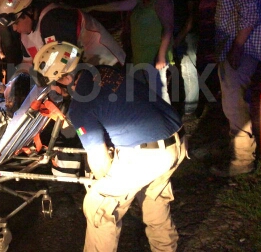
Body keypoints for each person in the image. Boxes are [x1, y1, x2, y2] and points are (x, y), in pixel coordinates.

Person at [33, 41, 186, 252]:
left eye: (54, 84)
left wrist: (104, 183)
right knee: (153, 199)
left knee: (98, 205)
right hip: (177, 139)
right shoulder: (105, 72)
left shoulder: (80, 106)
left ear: (65, 78)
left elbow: (100, 163)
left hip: (149, 155)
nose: (54, 90)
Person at [203, 0, 261, 177]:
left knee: (234, 105)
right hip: (234, 51)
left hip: (240, 52)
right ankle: (239, 151)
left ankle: (242, 161)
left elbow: (250, 15)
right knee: (234, 103)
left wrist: (237, 49)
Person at [81, 0, 175, 103]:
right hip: (139, 55)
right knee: (141, 93)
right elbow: (117, 6)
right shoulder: (139, 0)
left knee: (159, 94)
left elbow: (168, 28)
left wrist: (161, 56)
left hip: (154, 56)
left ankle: (169, 122)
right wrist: (94, 8)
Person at [0, 0, 125, 72]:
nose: (15, 29)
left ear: (28, 12)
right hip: (87, 75)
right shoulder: (27, 31)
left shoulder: (55, 20)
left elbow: (65, 66)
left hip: (109, 68)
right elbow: (28, 64)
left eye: (15, 23)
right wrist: (14, 84)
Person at [169, 0, 201, 118]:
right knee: (181, 69)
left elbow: (191, 16)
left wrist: (180, 37)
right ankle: (185, 102)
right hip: (178, 33)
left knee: (189, 69)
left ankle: (191, 107)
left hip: (187, 35)